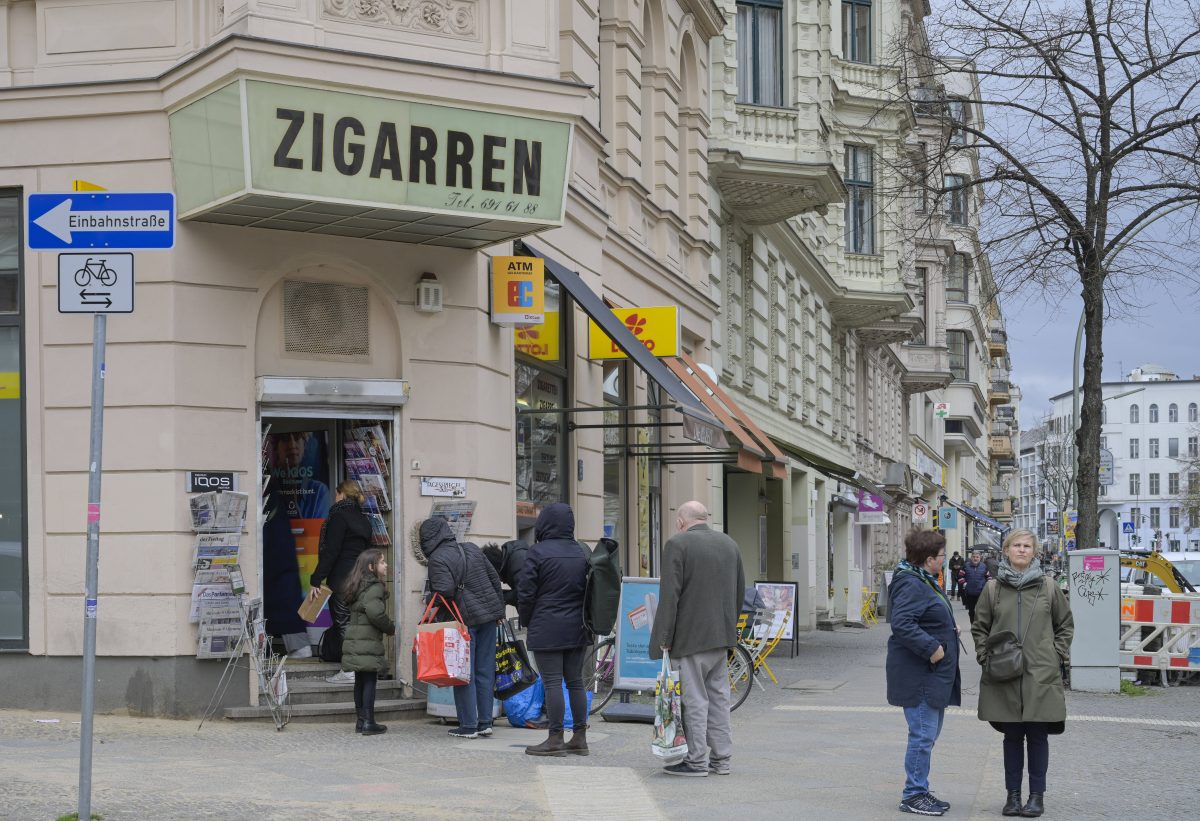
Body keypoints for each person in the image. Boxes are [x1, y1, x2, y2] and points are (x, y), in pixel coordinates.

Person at [972, 529, 1074, 818]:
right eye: (1015, 545)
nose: (1021, 550)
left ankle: (1036, 797)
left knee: (1038, 736)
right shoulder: (993, 589)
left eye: (1026, 546)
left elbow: (1065, 625)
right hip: (1004, 674)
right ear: (1005, 550)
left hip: (1040, 673)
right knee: (1012, 737)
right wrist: (985, 657)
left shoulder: (1049, 587)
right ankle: (1013, 797)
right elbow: (980, 627)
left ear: (1035, 552)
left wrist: (1056, 655)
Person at [649, 501, 745, 777]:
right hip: (721, 638)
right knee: (718, 699)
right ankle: (722, 760)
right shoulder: (729, 544)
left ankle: (696, 761)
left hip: (689, 638)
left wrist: (664, 637)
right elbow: (738, 591)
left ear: (681, 521)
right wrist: (729, 630)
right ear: (705, 518)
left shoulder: (677, 545)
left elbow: (670, 596)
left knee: (694, 701)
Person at [887, 529, 961, 817]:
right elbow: (902, 623)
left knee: (928, 735)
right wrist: (933, 647)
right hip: (919, 673)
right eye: (942, 556)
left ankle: (920, 789)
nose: (944, 561)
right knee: (922, 735)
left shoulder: (922, 579)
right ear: (929, 559)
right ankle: (913, 794)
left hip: (930, 673)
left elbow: (922, 616)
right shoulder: (911, 582)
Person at [419, 517, 506, 740]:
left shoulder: (438, 559)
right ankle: (485, 722)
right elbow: (494, 579)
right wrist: (498, 612)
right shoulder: (472, 548)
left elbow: (444, 590)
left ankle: (468, 725)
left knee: (462, 674)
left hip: (463, 622)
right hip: (487, 618)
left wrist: (429, 599)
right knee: (485, 671)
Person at [516, 503, 591, 756]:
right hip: (578, 627)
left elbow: (526, 593)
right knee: (576, 682)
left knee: (552, 683)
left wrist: (527, 620)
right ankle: (580, 737)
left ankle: (555, 738)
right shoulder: (582, 551)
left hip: (546, 626)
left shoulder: (537, 552)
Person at [309, 480, 373, 683]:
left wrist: (316, 579)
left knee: (343, 622)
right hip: (361, 578)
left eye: (336, 494)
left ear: (342, 495)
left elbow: (331, 552)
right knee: (356, 623)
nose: (335, 498)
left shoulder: (338, 516)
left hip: (342, 578)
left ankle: (349, 671)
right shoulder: (364, 519)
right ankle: (359, 668)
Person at [339, 548, 395, 735]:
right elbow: (376, 613)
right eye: (382, 562)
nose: (385, 565)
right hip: (367, 640)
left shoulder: (356, 585)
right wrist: (390, 627)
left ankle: (361, 721)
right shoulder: (374, 587)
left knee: (360, 681)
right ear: (371, 567)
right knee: (370, 679)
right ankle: (369, 722)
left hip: (355, 640)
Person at [483, 539, 529, 608]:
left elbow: (525, 592)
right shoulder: (512, 560)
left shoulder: (517, 559)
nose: (499, 580)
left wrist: (502, 597)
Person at [959, 551, 989, 623]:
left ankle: (978, 625)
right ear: (971, 557)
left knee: (980, 610)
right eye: (974, 557)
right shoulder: (965, 566)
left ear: (980, 558)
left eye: (977, 557)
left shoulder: (984, 566)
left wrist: (987, 586)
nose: (975, 558)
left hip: (981, 592)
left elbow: (989, 577)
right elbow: (960, 577)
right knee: (971, 610)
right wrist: (965, 584)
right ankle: (972, 624)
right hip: (970, 593)